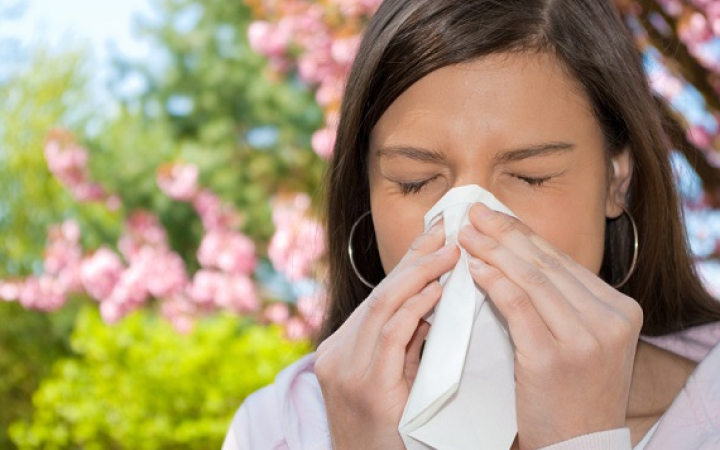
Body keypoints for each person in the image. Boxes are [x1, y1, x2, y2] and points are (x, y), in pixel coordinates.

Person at [223, 0, 720, 448]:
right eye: (415, 181)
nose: (468, 228)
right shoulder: (280, 428)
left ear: (616, 179)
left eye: (531, 176)